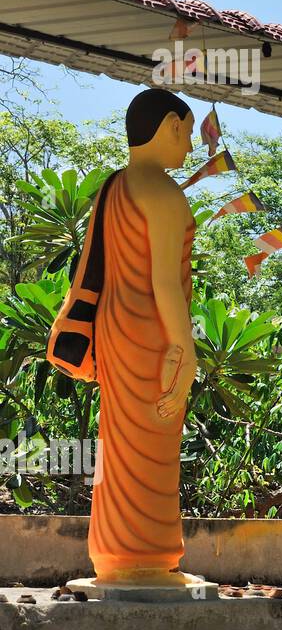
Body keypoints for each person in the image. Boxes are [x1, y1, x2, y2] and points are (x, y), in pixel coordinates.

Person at [77, 89, 199, 587]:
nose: (189, 148)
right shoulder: (164, 193)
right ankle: (146, 554)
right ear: (169, 125)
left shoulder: (116, 187)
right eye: (188, 134)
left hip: (115, 329)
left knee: (120, 444)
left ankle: (112, 551)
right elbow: (165, 283)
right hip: (155, 336)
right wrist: (185, 350)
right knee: (152, 448)